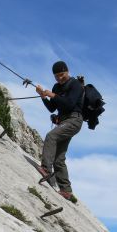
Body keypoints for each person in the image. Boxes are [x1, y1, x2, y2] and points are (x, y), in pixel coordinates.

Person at [35, 61, 84, 201]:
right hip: (64, 121)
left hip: (74, 120)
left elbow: (69, 104)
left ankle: (45, 169)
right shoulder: (56, 86)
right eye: (56, 76)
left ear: (67, 71)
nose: (59, 79)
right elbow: (52, 108)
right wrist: (43, 96)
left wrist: (54, 95)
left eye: (61, 75)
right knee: (59, 157)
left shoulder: (76, 85)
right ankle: (66, 190)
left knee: (51, 136)